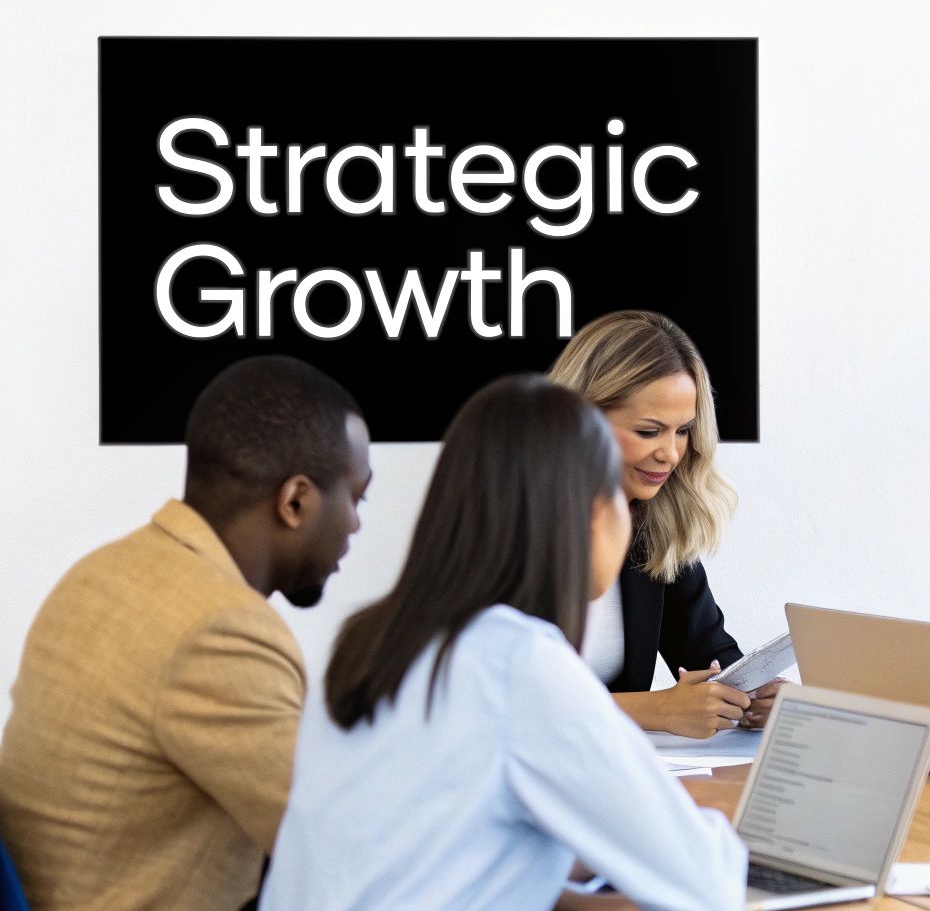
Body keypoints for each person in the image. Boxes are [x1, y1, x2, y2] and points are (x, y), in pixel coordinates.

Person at [262, 375, 746, 910]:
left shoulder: (373, 640)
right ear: (589, 514)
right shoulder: (520, 664)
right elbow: (709, 887)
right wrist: (715, 812)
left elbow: (447, 852)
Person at [0, 356, 371, 911]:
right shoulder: (221, 628)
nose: (357, 525)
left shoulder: (100, 572)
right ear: (295, 501)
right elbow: (349, 851)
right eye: (356, 497)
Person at [548, 310, 779, 737]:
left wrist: (750, 697)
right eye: (650, 431)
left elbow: (710, 655)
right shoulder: (509, 528)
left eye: (683, 431)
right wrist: (653, 710)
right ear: (581, 420)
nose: (671, 454)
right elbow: (503, 703)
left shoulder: (653, 526)